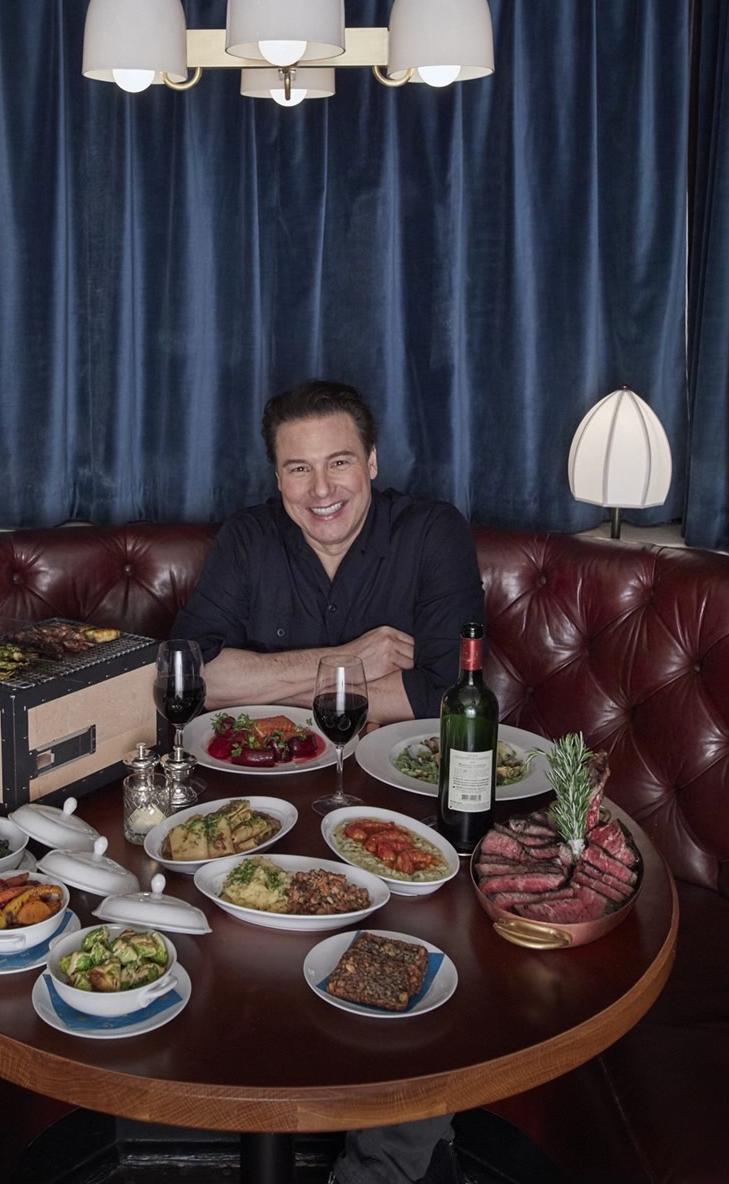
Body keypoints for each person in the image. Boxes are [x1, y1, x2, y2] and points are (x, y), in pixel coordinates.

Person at [172, 379, 485, 1184]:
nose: (321, 491)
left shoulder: (432, 533)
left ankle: (387, 1167)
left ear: (373, 462)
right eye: (298, 470)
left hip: (392, 805)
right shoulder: (247, 539)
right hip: (250, 806)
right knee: (222, 941)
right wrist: (345, 664)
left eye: (339, 463)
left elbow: (442, 695)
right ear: (276, 478)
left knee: (420, 949)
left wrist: (267, 679)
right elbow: (196, 676)